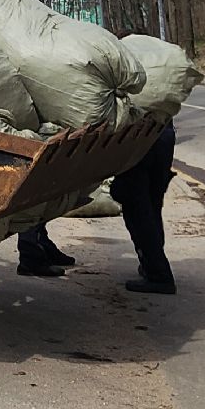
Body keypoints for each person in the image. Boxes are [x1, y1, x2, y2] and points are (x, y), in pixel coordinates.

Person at [17, 121, 179, 294]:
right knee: (148, 202)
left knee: (137, 201)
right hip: (156, 136)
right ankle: (35, 249)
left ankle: (157, 271)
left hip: (143, 139)